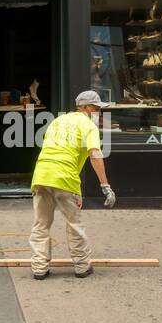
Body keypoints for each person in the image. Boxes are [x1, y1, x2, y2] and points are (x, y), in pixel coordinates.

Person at [29, 90, 116, 281]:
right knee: (74, 223)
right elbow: (95, 155)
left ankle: (39, 268)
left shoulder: (58, 121)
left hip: (42, 175)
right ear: (85, 107)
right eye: (96, 108)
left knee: (41, 224)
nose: (99, 113)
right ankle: (82, 266)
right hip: (65, 178)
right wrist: (105, 185)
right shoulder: (89, 126)